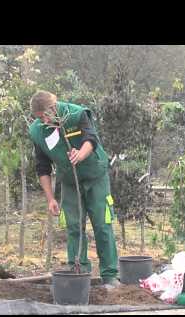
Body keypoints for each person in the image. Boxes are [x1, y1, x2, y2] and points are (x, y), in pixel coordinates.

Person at [28, 90, 120, 287]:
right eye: (39, 118)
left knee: (102, 225)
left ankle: (110, 275)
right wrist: (51, 198)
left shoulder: (76, 114)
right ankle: (79, 272)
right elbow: (42, 167)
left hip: (96, 176)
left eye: (45, 115)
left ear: (54, 107)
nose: (44, 120)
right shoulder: (37, 131)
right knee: (73, 226)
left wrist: (81, 154)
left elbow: (91, 139)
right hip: (70, 182)